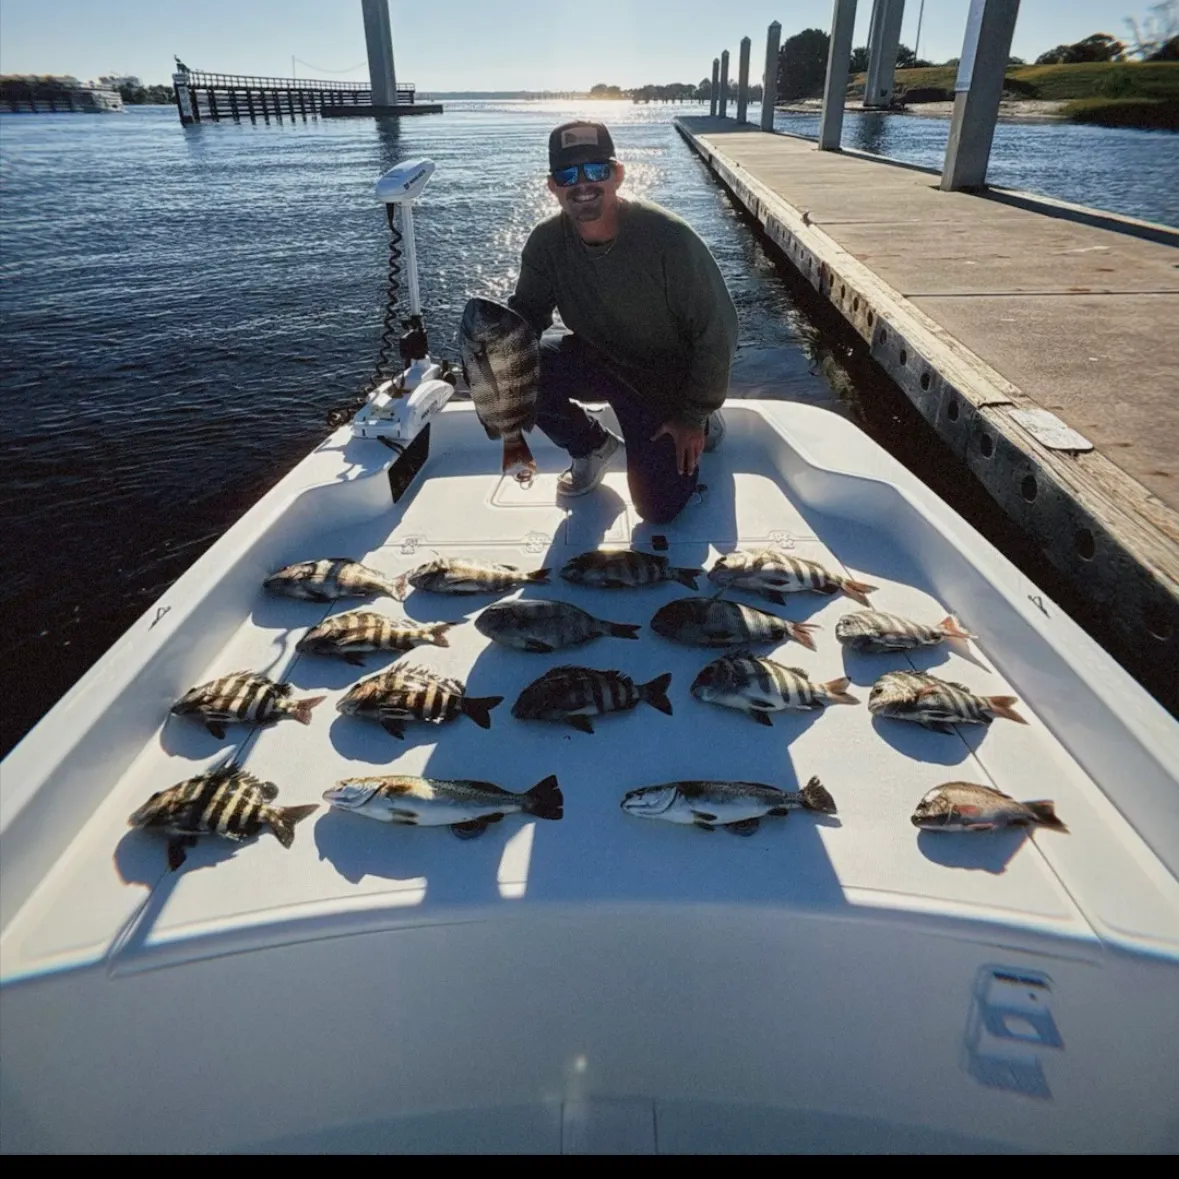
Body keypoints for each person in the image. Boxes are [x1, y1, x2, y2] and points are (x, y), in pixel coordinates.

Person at [509, 120, 738, 524]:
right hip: (600, 356)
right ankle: (591, 446)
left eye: (596, 171)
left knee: (658, 509)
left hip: (666, 374)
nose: (582, 185)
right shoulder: (546, 243)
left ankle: (706, 418)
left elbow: (717, 332)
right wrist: (489, 358)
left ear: (617, 174)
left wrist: (692, 414)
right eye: (567, 175)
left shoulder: (669, 239)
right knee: (523, 371)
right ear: (552, 186)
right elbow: (527, 316)